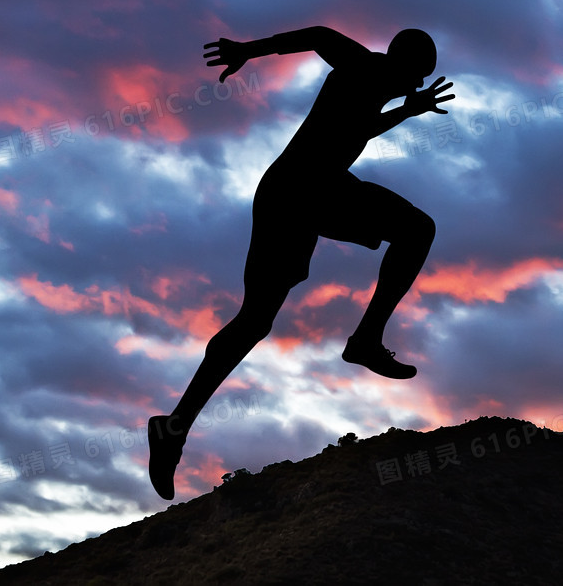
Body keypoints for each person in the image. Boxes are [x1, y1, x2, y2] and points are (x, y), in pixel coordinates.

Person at [148, 25, 453, 499]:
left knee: (414, 230)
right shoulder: (364, 65)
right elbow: (318, 34)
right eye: (415, 78)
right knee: (254, 321)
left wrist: (403, 112)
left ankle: (365, 340)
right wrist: (248, 50)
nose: (414, 88)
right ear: (402, 63)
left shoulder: (376, 85)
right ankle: (176, 427)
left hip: (315, 189)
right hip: (297, 191)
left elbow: (354, 127)